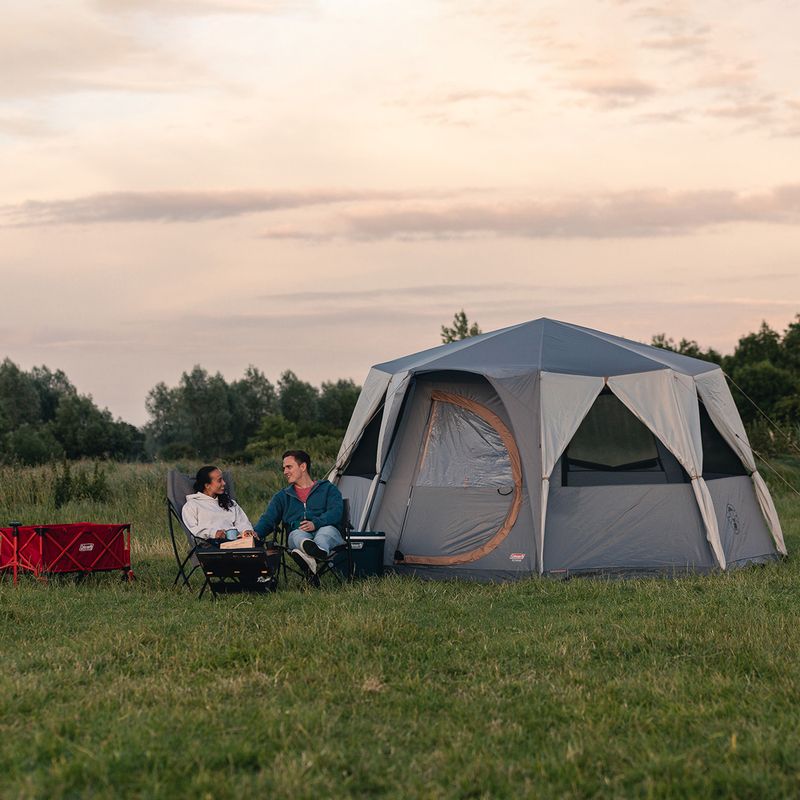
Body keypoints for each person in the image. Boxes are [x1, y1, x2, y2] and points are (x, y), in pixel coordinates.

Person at [254, 449, 344, 577]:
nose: (285, 472)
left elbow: (336, 512)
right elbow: (268, 520)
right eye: (284, 468)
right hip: (298, 534)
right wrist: (255, 534)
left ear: (303, 466)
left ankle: (313, 554)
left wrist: (316, 523)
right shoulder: (282, 497)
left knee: (325, 532)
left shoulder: (328, 489)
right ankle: (312, 552)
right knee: (296, 535)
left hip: (326, 529)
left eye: (289, 467)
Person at [182, 465, 256, 543]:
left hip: (237, 543)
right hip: (210, 546)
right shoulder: (192, 506)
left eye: (223, 479)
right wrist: (214, 533)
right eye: (219, 480)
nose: (224, 483)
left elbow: (243, 522)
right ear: (207, 485)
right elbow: (194, 529)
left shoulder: (230, 503)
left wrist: (246, 531)